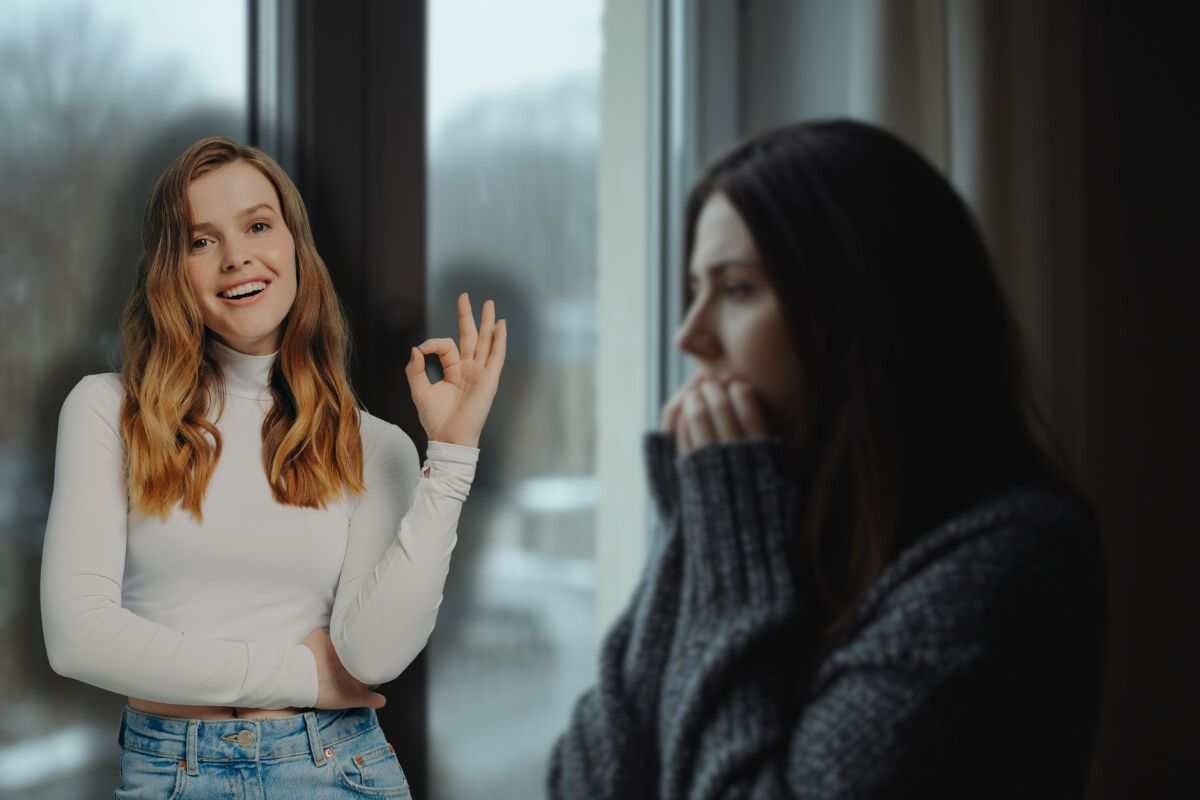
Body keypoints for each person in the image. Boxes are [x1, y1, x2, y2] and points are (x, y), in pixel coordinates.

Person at [548, 119, 1106, 798]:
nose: (689, 336)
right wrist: (692, 535)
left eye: (737, 289)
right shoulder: (779, 519)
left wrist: (724, 538)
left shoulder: (1010, 559)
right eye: (695, 290)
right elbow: (586, 786)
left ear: (857, 308)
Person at [39, 136, 507, 798]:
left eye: (258, 226)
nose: (236, 257)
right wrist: (298, 675)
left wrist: (453, 455)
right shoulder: (106, 411)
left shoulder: (376, 447)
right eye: (201, 241)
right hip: (171, 771)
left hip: (337, 767)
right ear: (171, 271)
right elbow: (77, 638)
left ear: (294, 247)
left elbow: (373, 657)